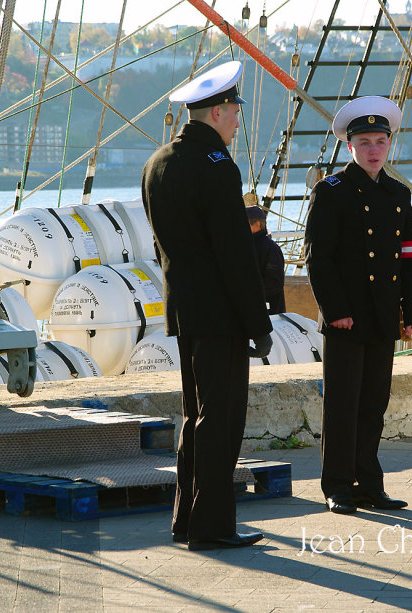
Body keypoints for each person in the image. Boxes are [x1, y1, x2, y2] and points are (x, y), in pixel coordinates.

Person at [141, 61, 273, 551]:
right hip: (221, 313)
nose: (238, 119)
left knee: (195, 415)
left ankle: (187, 518)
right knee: (221, 419)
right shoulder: (218, 166)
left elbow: (163, 245)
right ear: (217, 111)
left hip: (185, 309)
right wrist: (257, 322)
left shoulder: (157, 163)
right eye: (234, 110)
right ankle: (213, 525)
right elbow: (234, 254)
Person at [304, 96, 412, 515]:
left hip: (381, 316)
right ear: (350, 146)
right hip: (345, 317)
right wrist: (335, 309)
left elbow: (409, 257)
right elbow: (318, 259)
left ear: (389, 145)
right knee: (342, 405)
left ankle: (370, 485)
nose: (374, 149)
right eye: (365, 142)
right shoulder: (331, 191)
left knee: (374, 403)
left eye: (381, 141)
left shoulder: (397, 194)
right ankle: (338, 486)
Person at [246, 206, 286, 314]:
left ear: (257, 224)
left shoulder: (270, 249)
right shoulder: (246, 246)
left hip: (269, 313)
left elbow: (274, 283)